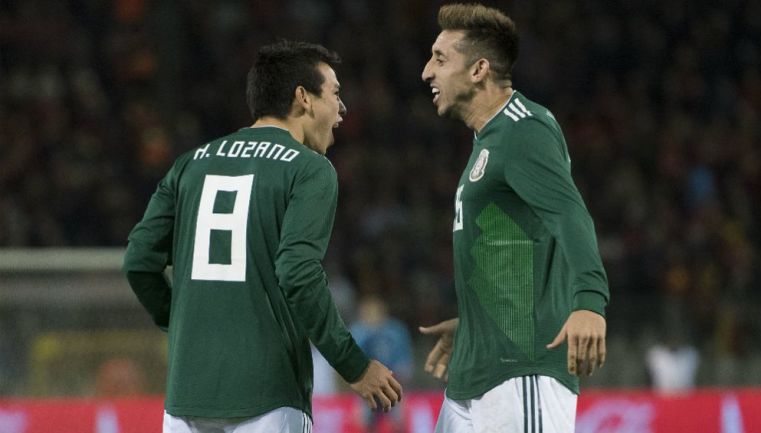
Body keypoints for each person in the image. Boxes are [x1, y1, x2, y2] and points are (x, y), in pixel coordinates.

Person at [123, 40, 402, 433]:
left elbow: (138, 260)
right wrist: (354, 365)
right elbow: (297, 271)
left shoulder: (189, 164)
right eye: (335, 94)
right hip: (268, 398)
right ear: (303, 98)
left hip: (186, 397)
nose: (341, 111)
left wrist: (183, 324)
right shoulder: (310, 169)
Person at [418, 4, 610, 433]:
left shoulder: (524, 129)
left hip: (522, 370)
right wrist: (474, 326)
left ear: (478, 69)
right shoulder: (489, 140)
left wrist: (589, 303)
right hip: (475, 374)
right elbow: (514, 251)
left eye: (440, 58)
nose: (427, 72)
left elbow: (569, 214)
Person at [350, 295, 414, 433]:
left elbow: (404, 362)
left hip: (392, 382)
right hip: (367, 385)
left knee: (398, 421)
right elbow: (351, 362)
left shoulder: (396, 331)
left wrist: (398, 381)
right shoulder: (358, 331)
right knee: (364, 421)